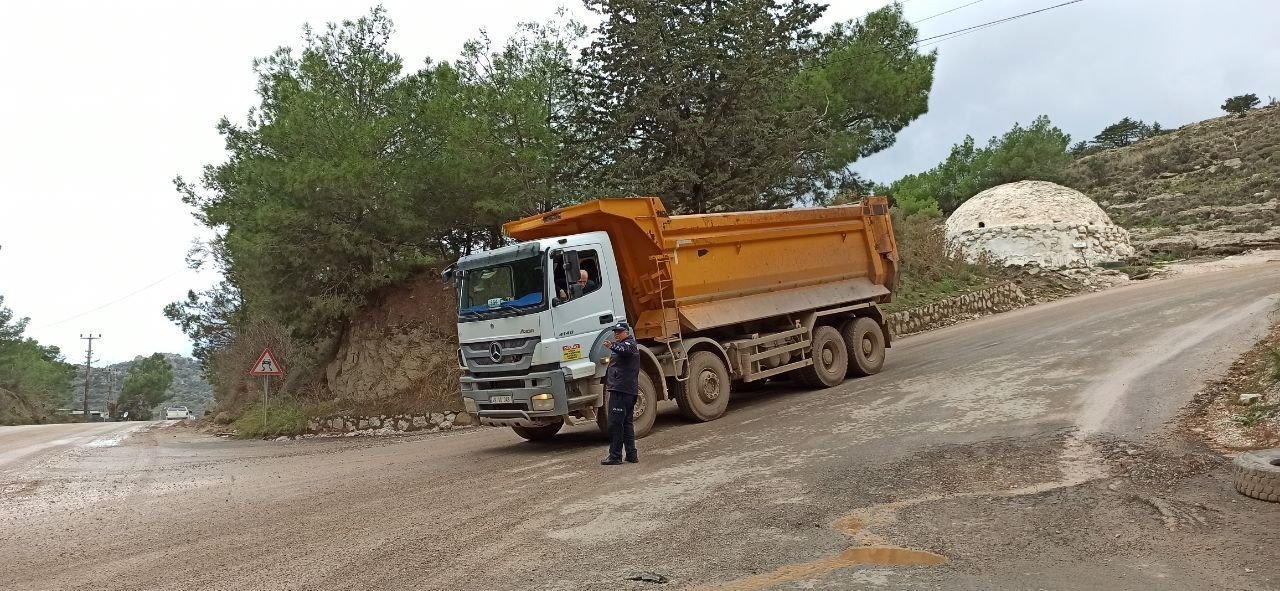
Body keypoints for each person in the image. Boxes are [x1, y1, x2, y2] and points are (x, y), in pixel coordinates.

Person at [601, 321, 640, 465]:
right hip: (625, 390)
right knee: (626, 423)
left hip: (622, 391)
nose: (616, 334)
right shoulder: (625, 345)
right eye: (615, 332)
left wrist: (612, 345)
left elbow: (625, 350)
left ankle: (615, 456)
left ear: (627, 332)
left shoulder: (629, 344)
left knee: (616, 424)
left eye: (619, 332)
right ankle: (631, 455)